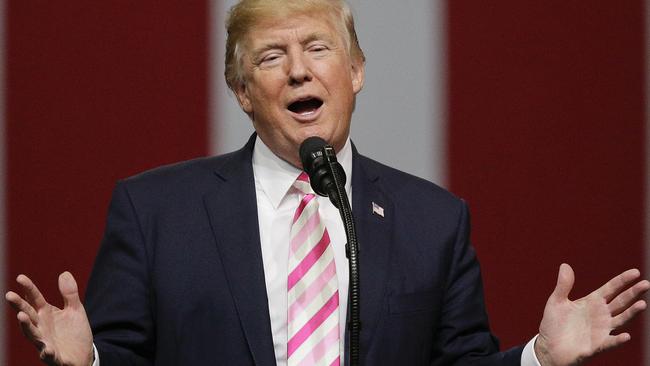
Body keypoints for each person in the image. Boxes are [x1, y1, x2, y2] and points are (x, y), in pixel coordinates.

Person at [5, 0, 649, 365]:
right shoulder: (155, 212)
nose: (297, 72)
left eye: (317, 49)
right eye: (270, 57)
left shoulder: (434, 221)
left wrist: (538, 358)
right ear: (241, 92)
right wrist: (85, 364)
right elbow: (121, 356)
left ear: (357, 71)